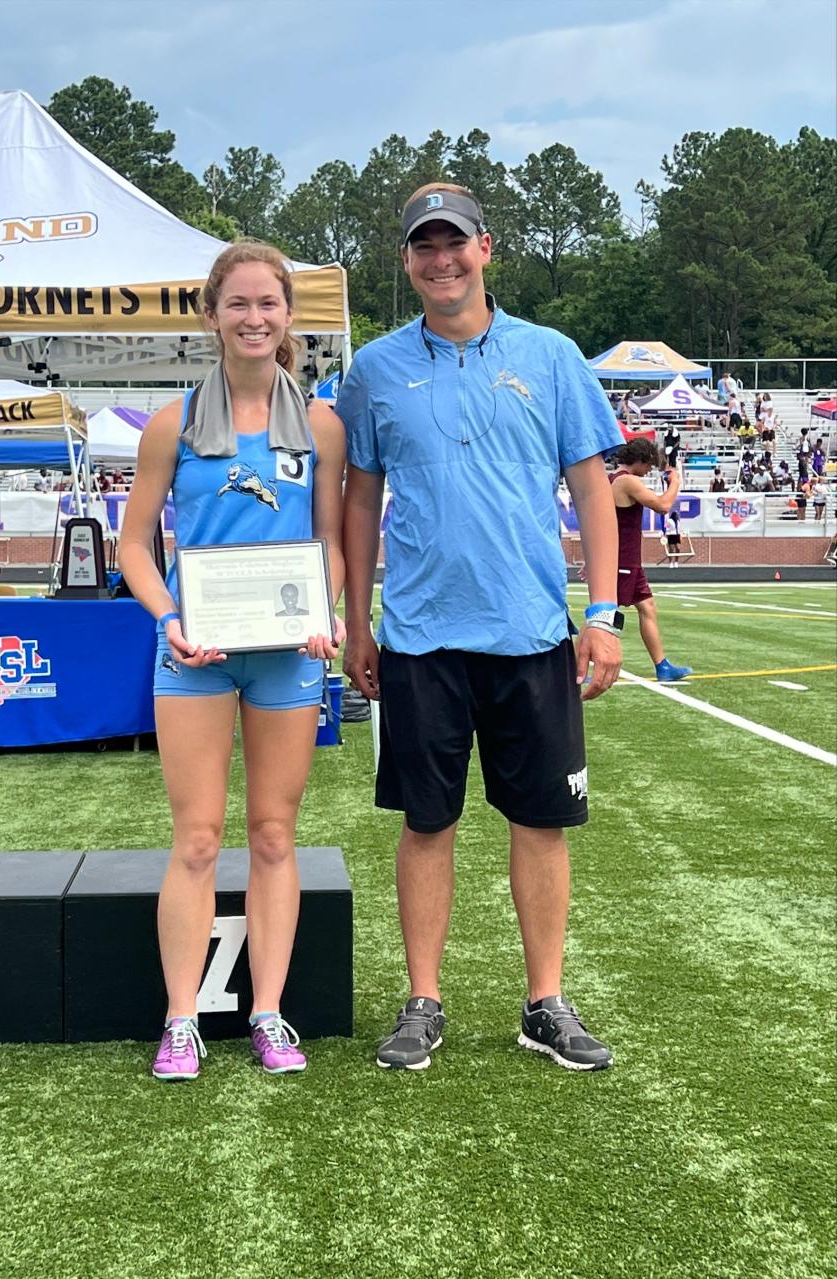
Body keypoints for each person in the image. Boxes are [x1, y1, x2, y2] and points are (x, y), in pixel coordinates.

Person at [337, 182, 623, 1074]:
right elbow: (359, 500)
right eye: (423, 245)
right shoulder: (374, 369)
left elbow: (590, 489)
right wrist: (357, 620)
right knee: (427, 822)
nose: (441, 259)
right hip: (420, 636)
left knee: (539, 821)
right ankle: (424, 999)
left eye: (453, 242)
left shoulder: (550, 355)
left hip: (532, 629)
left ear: (486, 248)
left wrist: (604, 613)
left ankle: (545, 1000)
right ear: (408, 261)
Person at [118, 242, 345, 1083]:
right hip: (197, 655)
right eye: (238, 303)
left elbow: (330, 541)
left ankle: (268, 1012)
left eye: (269, 304)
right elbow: (136, 545)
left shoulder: (320, 423)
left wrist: (328, 613)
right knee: (198, 838)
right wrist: (170, 616)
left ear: (289, 317)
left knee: (276, 835)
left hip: (288, 657)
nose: (255, 318)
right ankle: (181, 1018)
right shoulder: (174, 424)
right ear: (212, 316)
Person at [607, 439, 693, 681]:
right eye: (648, 467)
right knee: (605, 615)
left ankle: (662, 666)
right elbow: (663, 506)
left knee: (647, 607)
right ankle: (575, 666)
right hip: (623, 559)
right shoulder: (627, 481)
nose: (648, 473)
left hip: (626, 559)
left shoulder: (613, 479)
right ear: (641, 460)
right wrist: (675, 482)